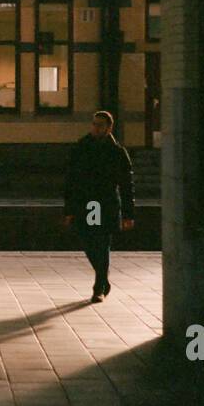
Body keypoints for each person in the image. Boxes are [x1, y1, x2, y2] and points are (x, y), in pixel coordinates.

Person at [63, 110, 135, 302]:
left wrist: (129, 214)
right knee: (87, 240)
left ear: (109, 127)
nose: (95, 128)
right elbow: (70, 180)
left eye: (100, 125)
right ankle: (103, 279)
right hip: (87, 202)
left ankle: (99, 287)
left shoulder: (117, 152)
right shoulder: (81, 147)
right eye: (94, 124)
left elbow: (127, 185)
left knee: (102, 243)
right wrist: (69, 209)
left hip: (106, 201)